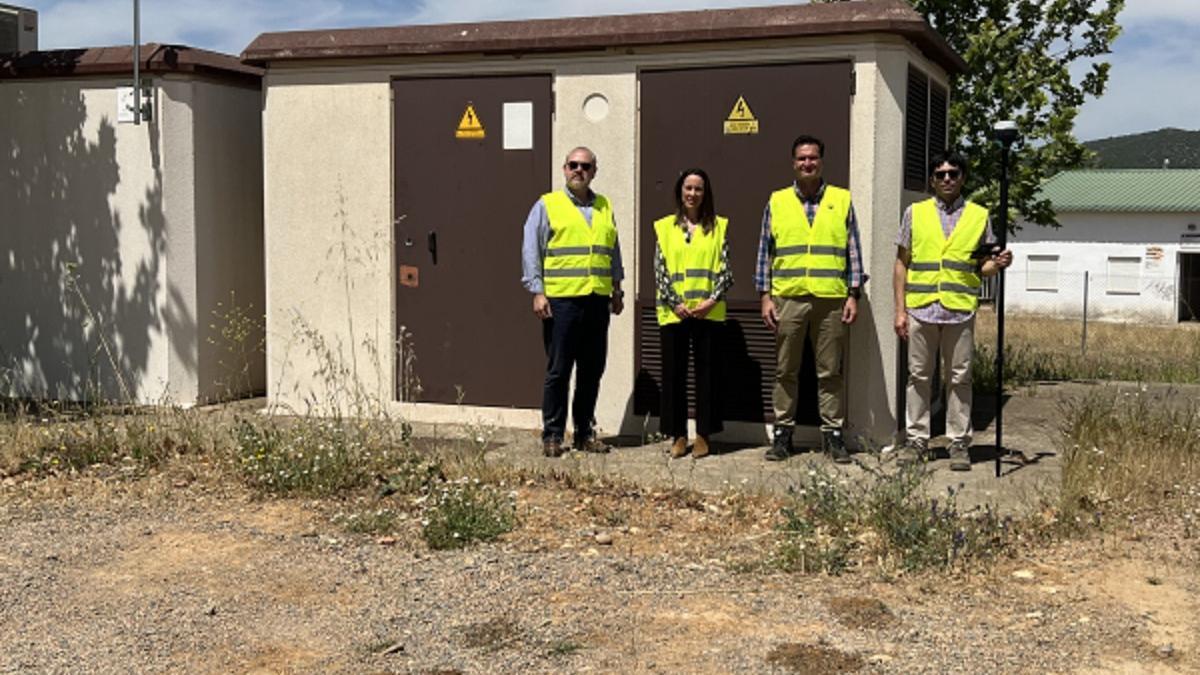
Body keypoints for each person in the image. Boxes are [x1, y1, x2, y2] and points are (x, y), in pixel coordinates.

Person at [893, 150, 1012, 470]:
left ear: (963, 178)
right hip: (921, 309)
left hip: (959, 310)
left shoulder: (979, 215)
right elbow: (901, 264)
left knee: (959, 378)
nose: (947, 178)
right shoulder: (914, 213)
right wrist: (899, 310)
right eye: (941, 174)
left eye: (953, 173)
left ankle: (958, 442)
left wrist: (997, 264)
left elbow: (982, 266)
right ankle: (917, 440)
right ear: (932, 179)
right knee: (918, 377)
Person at [757, 135, 865, 464]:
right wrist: (765, 296)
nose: (808, 163)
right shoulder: (776, 201)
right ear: (793, 163)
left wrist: (853, 294)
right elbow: (765, 252)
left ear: (821, 161)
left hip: (831, 299)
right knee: (785, 370)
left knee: (830, 371)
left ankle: (832, 436)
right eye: (802, 158)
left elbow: (853, 252)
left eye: (813, 158)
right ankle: (783, 435)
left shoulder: (841, 200)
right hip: (788, 298)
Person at [521, 147, 625, 458]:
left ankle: (584, 433)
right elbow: (531, 250)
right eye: (573, 165)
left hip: (597, 300)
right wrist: (537, 291)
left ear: (595, 171)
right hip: (562, 301)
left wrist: (617, 288)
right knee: (559, 371)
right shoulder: (547, 205)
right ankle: (552, 434)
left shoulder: (604, 206)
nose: (579, 170)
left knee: (592, 370)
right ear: (565, 169)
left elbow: (613, 249)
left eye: (586, 166)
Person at [653, 169, 733, 459]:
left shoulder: (719, 227)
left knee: (707, 376)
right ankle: (677, 435)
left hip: (707, 314)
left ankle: (703, 435)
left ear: (705, 193)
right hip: (675, 315)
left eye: (698, 189)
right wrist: (675, 303)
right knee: (674, 376)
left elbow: (725, 270)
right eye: (688, 188)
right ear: (680, 191)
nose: (692, 194)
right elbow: (660, 271)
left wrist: (711, 301)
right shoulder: (664, 227)